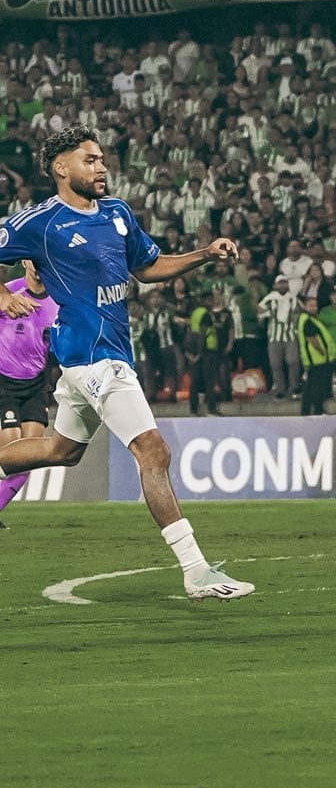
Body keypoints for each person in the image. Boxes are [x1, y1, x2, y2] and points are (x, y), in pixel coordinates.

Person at [0, 128, 253, 598]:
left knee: (62, 451)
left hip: (110, 353)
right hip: (88, 357)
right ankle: (196, 570)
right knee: (153, 452)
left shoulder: (116, 213)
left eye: (101, 160)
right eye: (90, 160)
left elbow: (147, 268)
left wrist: (203, 253)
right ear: (61, 168)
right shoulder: (40, 222)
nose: (101, 168)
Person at [0, 262, 58, 527]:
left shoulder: (58, 302)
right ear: (24, 262)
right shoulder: (8, 293)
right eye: (33, 260)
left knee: (27, 459)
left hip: (36, 386)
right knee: (9, 453)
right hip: (5, 385)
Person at [296, 292, 336, 416]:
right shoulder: (308, 320)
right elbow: (311, 338)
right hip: (317, 360)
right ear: (305, 306)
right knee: (315, 388)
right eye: (310, 305)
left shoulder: (309, 319)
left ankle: (311, 411)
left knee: (311, 388)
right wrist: (322, 351)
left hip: (316, 361)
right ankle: (315, 411)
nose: (314, 308)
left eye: (315, 305)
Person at [259, 274, 300, 399]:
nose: (282, 285)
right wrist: (264, 318)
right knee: (275, 364)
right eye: (280, 283)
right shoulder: (270, 298)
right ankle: (279, 388)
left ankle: (294, 388)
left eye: (285, 282)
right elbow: (259, 311)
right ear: (276, 285)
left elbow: (300, 313)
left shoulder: (293, 298)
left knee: (293, 362)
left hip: (291, 335)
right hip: (274, 336)